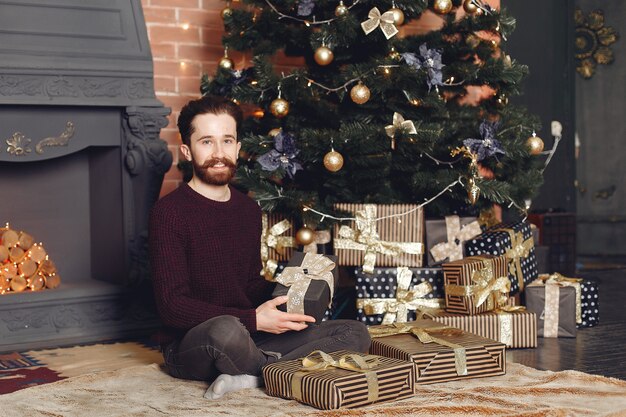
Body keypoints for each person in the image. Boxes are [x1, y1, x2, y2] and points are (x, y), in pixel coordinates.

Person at [148, 95, 371, 400]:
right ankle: (275, 373)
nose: (219, 153)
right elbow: (172, 306)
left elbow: (249, 283)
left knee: (354, 333)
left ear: (238, 148)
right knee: (225, 330)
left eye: (227, 141)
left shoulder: (248, 209)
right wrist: (253, 319)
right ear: (187, 151)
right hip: (192, 344)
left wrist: (292, 296)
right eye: (206, 142)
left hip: (250, 333)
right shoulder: (169, 213)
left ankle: (251, 376)